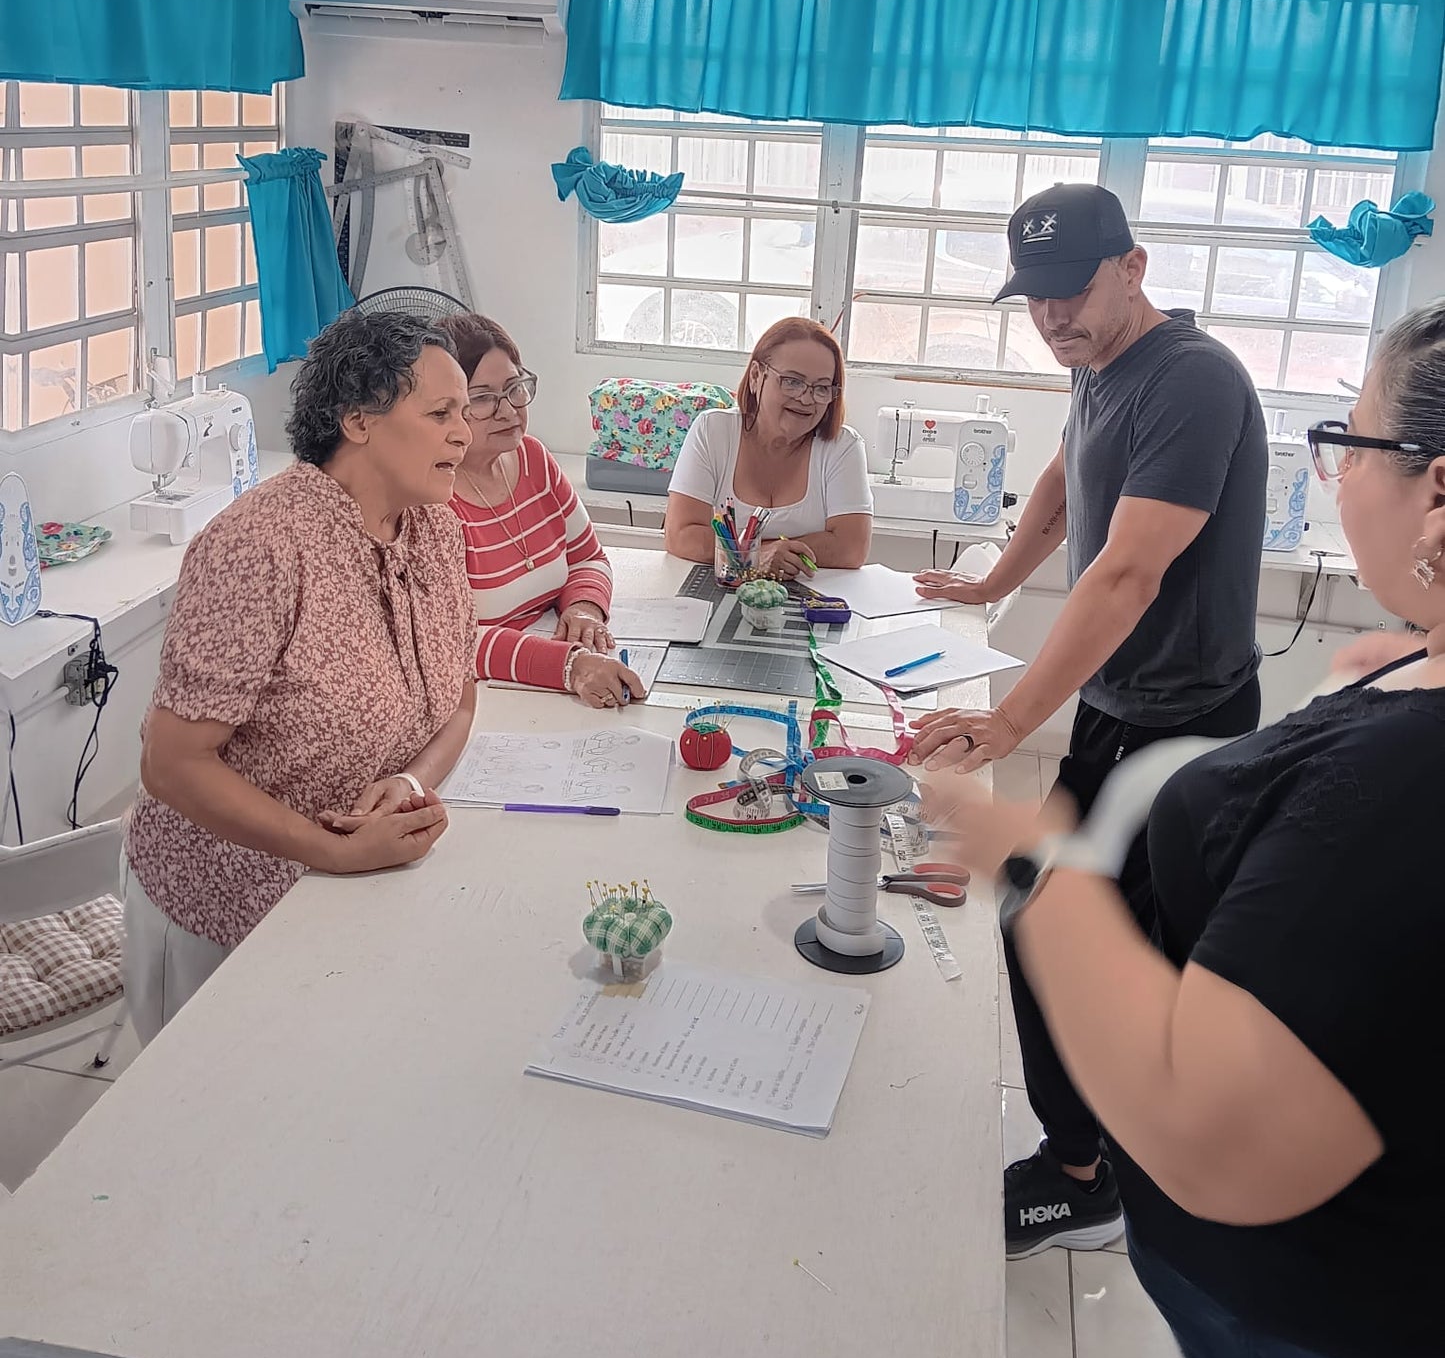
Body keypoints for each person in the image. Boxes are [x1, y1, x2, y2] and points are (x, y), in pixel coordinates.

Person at [917, 303, 1445, 1358]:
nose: (1330, 475)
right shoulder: (1400, 689)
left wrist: (1026, 856)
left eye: (1344, 440)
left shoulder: (1399, 787)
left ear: (1433, 490)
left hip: (1318, 1336)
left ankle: (1077, 1171)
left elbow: (1210, 1132)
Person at [911, 182, 1267, 1255]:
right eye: (1034, 298)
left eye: (1070, 289)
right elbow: (1064, 488)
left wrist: (1009, 720)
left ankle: (1091, 1177)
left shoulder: (1191, 380)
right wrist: (988, 585)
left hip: (1179, 726)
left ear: (1132, 267)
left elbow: (1124, 575)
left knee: (1095, 937)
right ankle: (1089, 1157)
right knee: (1048, 917)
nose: (1052, 315)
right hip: (1117, 711)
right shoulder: (1098, 369)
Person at [123, 311, 477, 1043]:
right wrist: (330, 848)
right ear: (358, 420)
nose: (464, 434)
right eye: (440, 412)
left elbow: (458, 692)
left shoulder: (434, 527)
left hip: (348, 893)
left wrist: (411, 784)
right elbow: (171, 763)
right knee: (208, 1128)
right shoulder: (262, 545)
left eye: (464, 413)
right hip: (223, 909)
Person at [440, 313, 643, 711]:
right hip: (481, 703)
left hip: (551, 693)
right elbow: (452, 642)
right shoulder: (432, 499)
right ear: (446, 407)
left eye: (515, 388)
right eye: (482, 398)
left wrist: (583, 608)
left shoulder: (533, 458)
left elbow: (588, 557)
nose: (508, 410)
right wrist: (572, 665)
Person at [664, 317, 872, 578]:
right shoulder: (712, 430)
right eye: (792, 381)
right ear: (755, 376)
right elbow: (680, 535)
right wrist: (758, 556)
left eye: (821, 388)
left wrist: (765, 553)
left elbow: (852, 548)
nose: (806, 399)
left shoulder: (843, 446)